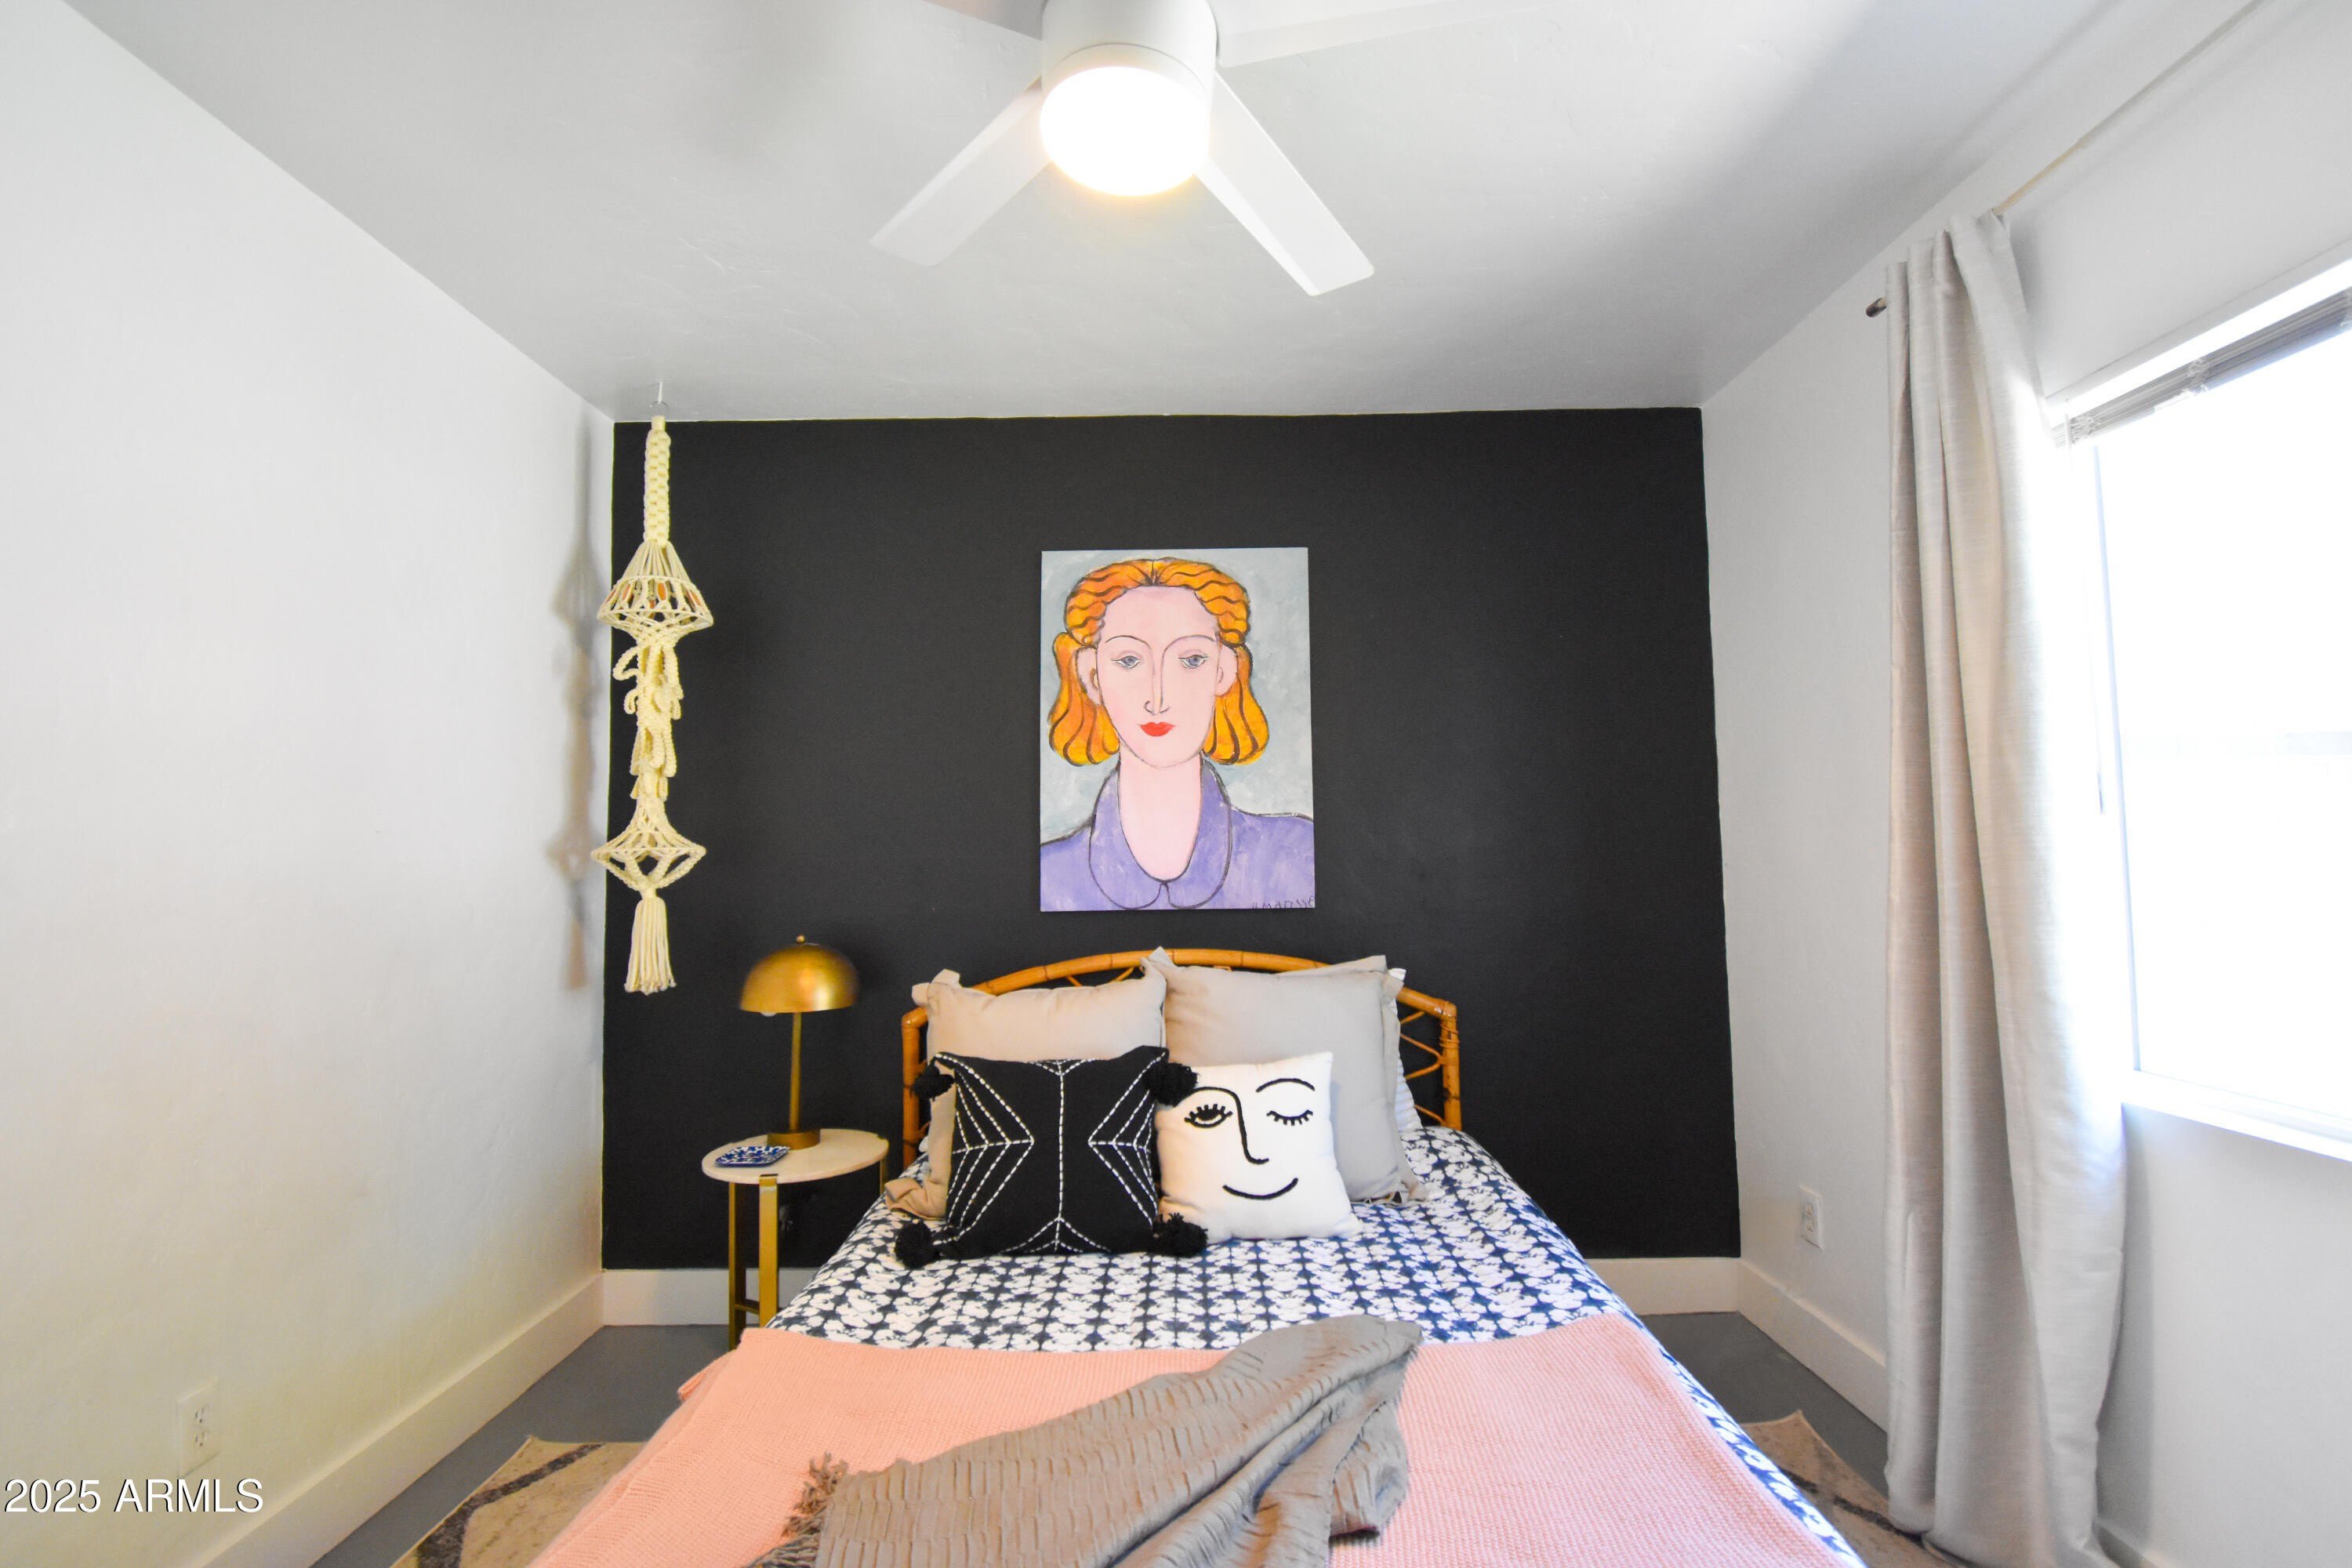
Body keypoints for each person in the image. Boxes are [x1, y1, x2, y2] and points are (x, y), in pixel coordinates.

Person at [1041, 558, 1313, 910]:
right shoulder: (1051, 876)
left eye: (1192, 660)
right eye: (1129, 660)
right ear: (1092, 677)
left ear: (1224, 671)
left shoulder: (1295, 855)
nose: (1158, 699)